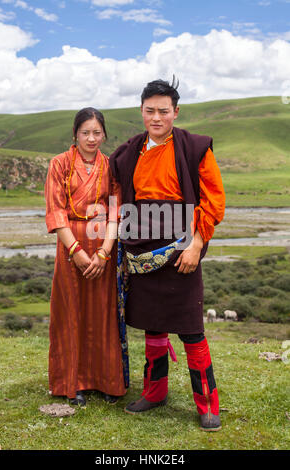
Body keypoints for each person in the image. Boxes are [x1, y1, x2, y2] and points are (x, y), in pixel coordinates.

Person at [109, 78, 225, 431]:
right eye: (149, 111)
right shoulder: (129, 153)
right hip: (141, 252)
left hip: (181, 250)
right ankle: (155, 392)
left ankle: (207, 404)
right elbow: (116, 196)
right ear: (141, 112)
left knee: (191, 330)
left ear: (176, 112)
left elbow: (214, 200)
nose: (156, 117)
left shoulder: (194, 148)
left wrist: (196, 244)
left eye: (163, 111)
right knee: (153, 327)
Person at [45, 107, 127, 406]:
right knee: (71, 312)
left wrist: (105, 251)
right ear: (75, 134)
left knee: (102, 313)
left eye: (97, 132)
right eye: (85, 133)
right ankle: (72, 382)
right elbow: (55, 211)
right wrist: (76, 251)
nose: (91, 138)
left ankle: (106, 381)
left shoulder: (111, 166)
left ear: (104, 134)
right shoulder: (60, 164)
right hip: (71, 247)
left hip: (104, 243)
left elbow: (117, 210)